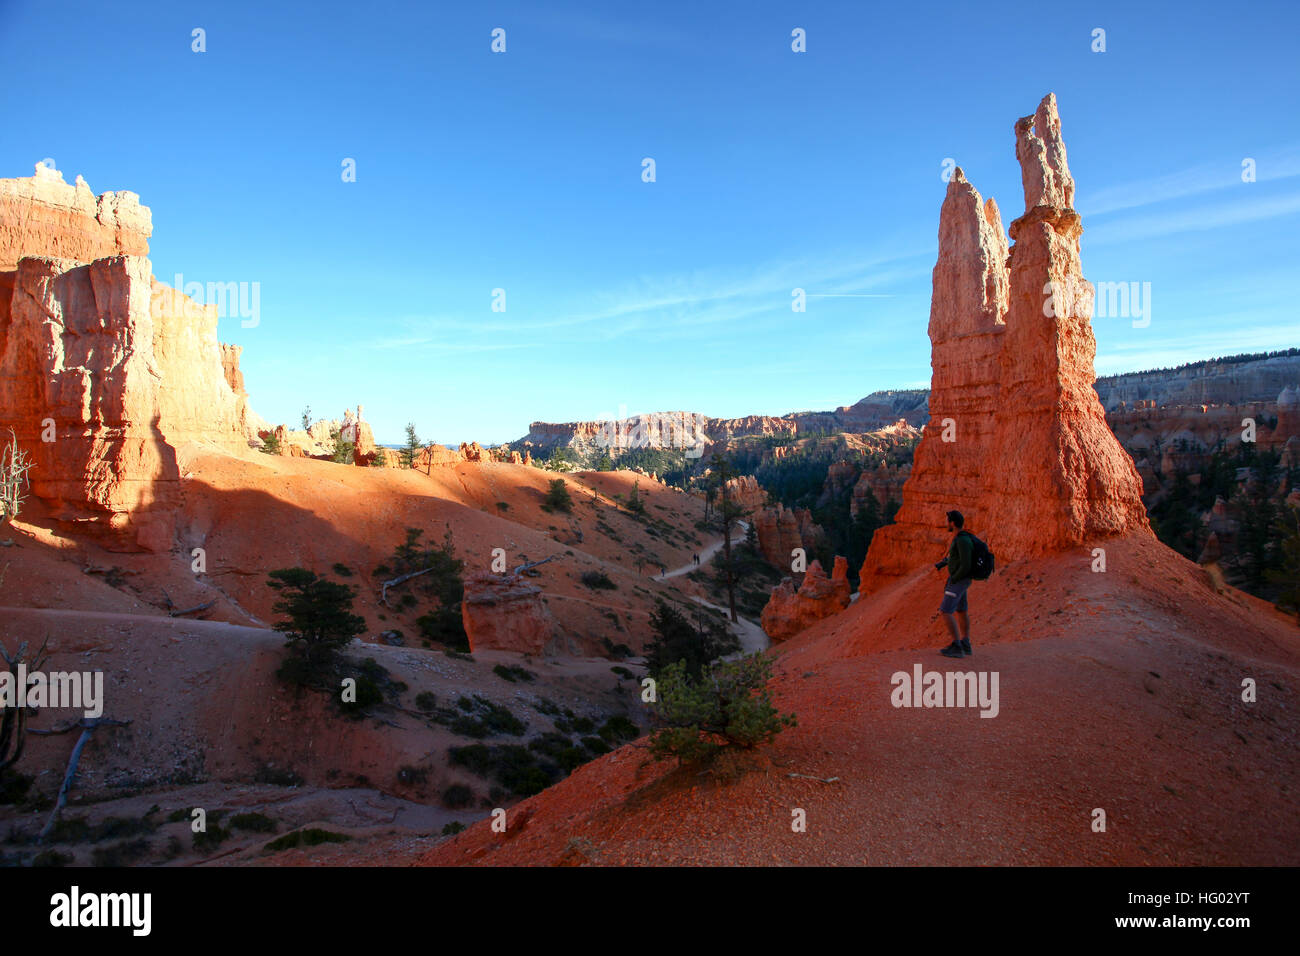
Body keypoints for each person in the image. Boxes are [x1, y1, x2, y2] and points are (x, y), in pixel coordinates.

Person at [934, 509, 973, 657]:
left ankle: (957, 646)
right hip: (962, 579)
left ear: (953, 523)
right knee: (961, 610)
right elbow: (958, 558)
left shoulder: (961, 540)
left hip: (959, 580)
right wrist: (944, 563)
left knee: (945, 610)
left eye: (947, 521)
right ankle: (965, 643)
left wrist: (954, 578)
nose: (946, 524)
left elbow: (966, 564)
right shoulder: (961, 538)